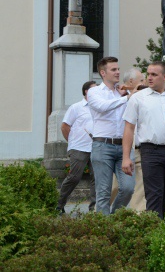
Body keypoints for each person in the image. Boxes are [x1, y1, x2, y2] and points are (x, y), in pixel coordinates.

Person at [122, 61, 165, 219]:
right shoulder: (138, 98)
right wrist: (126, 157)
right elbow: (129, 128)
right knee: (153, 195)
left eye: (154, 74)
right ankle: (154, 234)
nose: (149, 78)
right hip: (150, 151)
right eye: (148, 74)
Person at [87, 56, 135, 215]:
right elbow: (102, 107)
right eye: (113, 69)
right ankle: (103, 229)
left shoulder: (123, 92)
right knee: (103, 192)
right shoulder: (94, 92)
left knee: (128, 188)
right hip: (102, 145)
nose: (118, 72)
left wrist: (127, 94)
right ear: (102, 73)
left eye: (118, 69)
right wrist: (125, 98)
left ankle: (114, 218)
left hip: (124, 146)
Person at [56, 80, 97, 214]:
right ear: (86, 91)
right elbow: (65, 126)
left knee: (96, 178)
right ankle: (59, 204)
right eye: (94, 89)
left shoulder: (99, 107)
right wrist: (72, 142)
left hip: (96, 147)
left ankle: (94, 208)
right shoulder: (76, 107)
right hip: (79, 147)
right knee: (74, 177)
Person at [120, 68, 147, 211]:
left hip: (140, 149)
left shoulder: (145, 98)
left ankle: (139, 218)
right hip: (120, 149)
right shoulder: (118, 97)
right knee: (116, 187)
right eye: (142, 80)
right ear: (131, 82)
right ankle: (102, 216)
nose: (145, 83)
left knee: (140, 187)